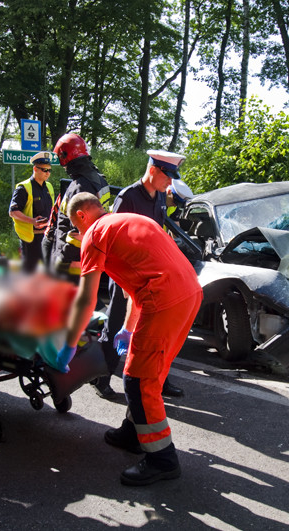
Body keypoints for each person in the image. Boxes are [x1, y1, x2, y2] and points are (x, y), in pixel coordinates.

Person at [55, 192, 202, 486]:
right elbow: (132, 289)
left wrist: (69, 345)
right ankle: (134, 433)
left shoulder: (94, 234)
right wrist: (127, 328)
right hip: (189, 294)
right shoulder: (129, 221)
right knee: (150, 372)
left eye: (75, 225)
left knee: (138, 380)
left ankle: (162, 459)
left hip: (163, 300)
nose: (78, 233)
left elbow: (86, 299)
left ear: (82, 215)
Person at [92, 150, 188, 400]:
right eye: (167, 176)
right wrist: (125, 283)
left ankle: (159, 379)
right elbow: (113, 237)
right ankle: (101, 377)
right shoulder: (128, 197)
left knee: (155, 330)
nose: (170, 183)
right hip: (126, 273)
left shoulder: (157, 197)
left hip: (151, 275)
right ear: (154, 170)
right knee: (115, 324)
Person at [48, 133, 111, 282]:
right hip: (89, 254)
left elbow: (78, 229)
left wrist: (61, 259)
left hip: (71, 257)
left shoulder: (79, 186)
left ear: (64, 156)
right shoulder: (101, 181)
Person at [9, 151, 55, 273]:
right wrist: (32, 221)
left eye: (49, 170)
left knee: (48, 272)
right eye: (44, 170)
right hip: (31, 238)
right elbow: (13, 212)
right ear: (35, 168)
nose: (48, 173)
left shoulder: (49, 187)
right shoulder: (23, 188)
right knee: (29, 272)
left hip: (46, 236)